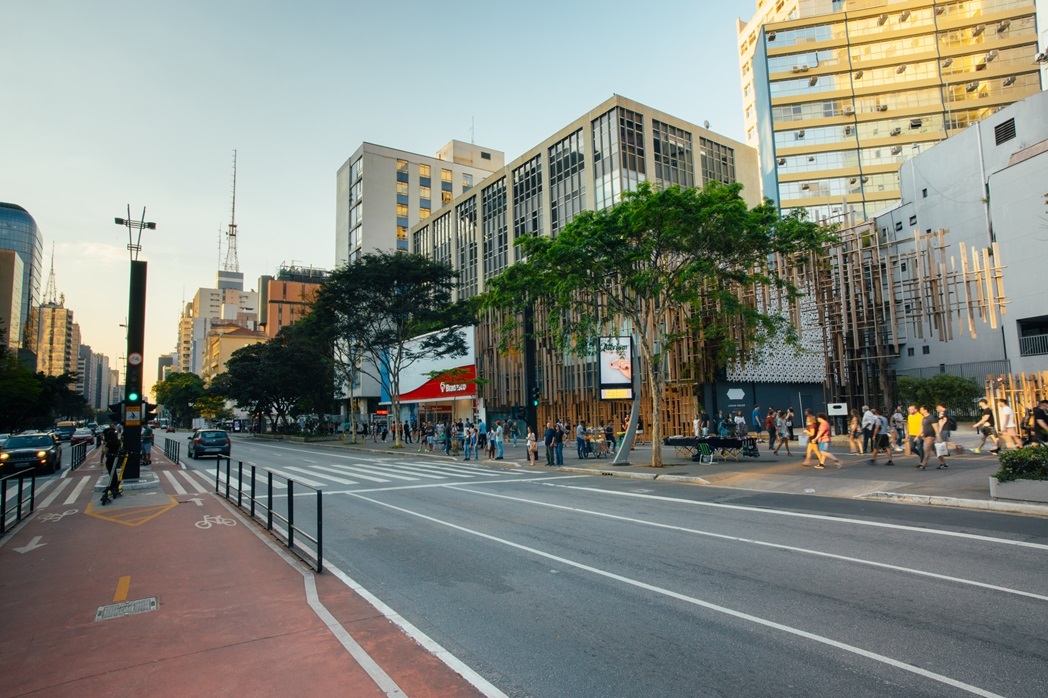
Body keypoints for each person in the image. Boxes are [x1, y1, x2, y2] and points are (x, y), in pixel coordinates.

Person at [918, 405, 948, 470]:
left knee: (926, 449)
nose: (920, 411)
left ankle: (923, 464)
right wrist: (918, 435)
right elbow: (922, 428)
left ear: (925, 410)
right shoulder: (924, 418)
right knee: (935, 450)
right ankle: (943, 463)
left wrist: (938, 436)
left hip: (931, 436)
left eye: (921, 409)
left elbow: (936, 428)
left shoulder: (931, 418)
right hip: (926, 436)